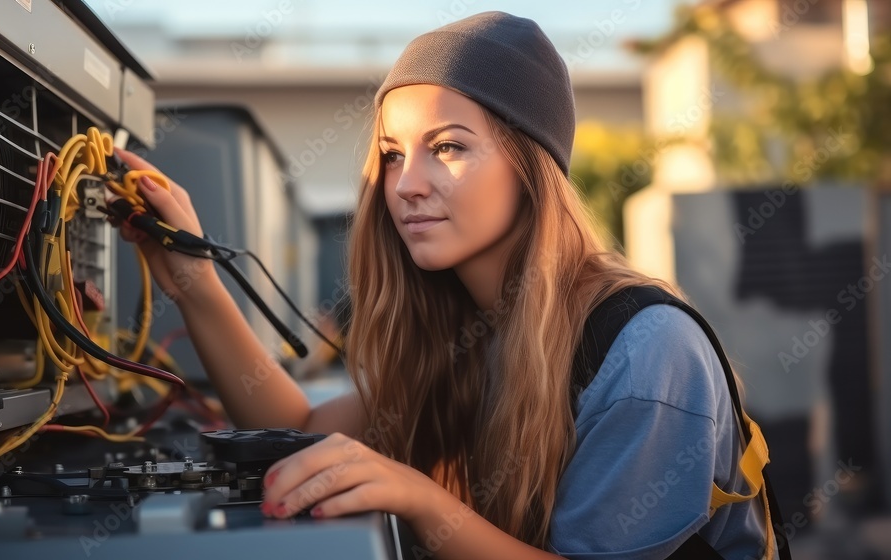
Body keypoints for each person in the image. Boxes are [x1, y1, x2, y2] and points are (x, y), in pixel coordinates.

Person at [113, 11, 775, 560]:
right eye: (393, 154)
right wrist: (191, 275)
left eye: (449, 147)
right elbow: (301, 430)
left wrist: (424, 504)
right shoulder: (461, 328)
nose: (405, 186)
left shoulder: (644, 350)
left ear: (530, 165)